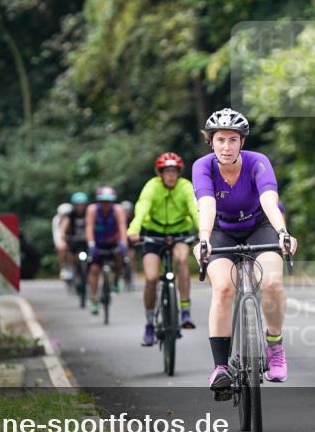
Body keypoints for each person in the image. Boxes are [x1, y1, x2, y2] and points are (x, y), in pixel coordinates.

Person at [192, 108, 298, 394]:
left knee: (273, 283)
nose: (226, 147)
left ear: (242, 142)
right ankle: (221, 368)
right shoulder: (202, 166)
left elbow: (268, 198)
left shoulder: (258, 162)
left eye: (233, 140)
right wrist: (203, 239)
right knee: (224, 288)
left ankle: (274, 346)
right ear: (211, 142)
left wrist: (282, 232)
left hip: (260, 224)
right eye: (220, 140)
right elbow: (206, 204)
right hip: (220, 230)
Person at [127, 152, 199, 347]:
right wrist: (134, 229)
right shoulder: (152, 186)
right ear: (159, 173)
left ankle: (185, 311)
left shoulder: (185, 186)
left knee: (182, 260)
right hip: (153, 234)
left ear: (178, 172)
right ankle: (150, 324)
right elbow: (142, 208)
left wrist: (204, 230)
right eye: (166, 171)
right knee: (150, 278)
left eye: (174, 171)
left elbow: (195, 208)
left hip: (179, 234)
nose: (170, 175)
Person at [85, 185, 129, 315]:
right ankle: (93, 299)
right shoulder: (92, 210)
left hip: (112, 242)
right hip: (97, 243)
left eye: (108, 201)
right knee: (94, 270)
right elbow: (89, 227)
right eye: (103, 201)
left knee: (120, 257)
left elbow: (122, 226)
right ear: (99, 201)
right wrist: (91, 244)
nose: (106, 204)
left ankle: (116, 279)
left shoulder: (117, 210)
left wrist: (123, 243)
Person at [58, 193, 90, 286]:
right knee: (70, 251)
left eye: (82, 204)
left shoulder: (88, 213)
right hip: (73, 238)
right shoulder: (70, 214)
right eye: (78, 205)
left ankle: (87, 272)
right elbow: (64, 225)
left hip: (86, 239)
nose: (80, 207)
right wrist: (63, 233)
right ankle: (71, 268)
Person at [52, 202, 74, 281]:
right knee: (62, 248)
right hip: (63, 239)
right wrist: (59, 244)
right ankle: (63, 267)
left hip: (75, 239)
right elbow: (56, 233)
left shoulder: (75, 218)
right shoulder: (56, 219)